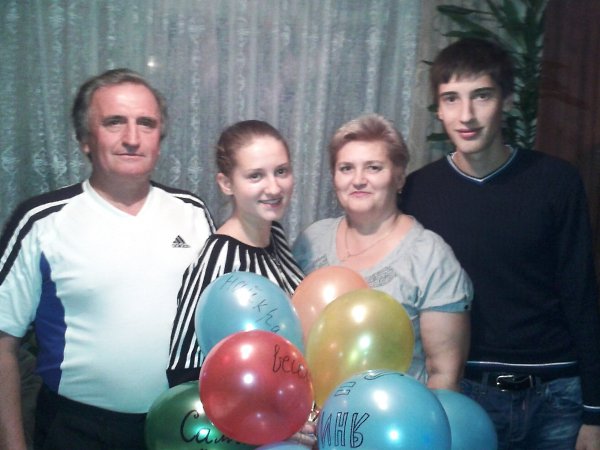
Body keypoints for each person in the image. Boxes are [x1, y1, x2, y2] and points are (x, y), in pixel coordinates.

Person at [0, 68, 215, 450]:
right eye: (114, 122)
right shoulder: (41, 222)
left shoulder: (193, 213)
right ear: (85, 138)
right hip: (77, 431)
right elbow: (3, 345)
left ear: (159, 139)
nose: (132, 138)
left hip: (180, 426)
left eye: (146, 124)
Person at [401, 38, 600, 449]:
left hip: (557, 397)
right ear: (438, 109)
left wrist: (595, 412)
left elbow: (582, 295)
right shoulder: (419, 191)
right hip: (466, 396)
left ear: (507, 100)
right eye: (452, 99)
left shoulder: (557, 182)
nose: (466, 115)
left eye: (482, 96)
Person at [293, 113, 473, 391]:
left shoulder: (430, 256)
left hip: (396, 415)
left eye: (374, 168)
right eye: (346, 168)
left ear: (399, 178)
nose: (358, 180)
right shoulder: (311, 241)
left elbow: (444, 373)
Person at [167, 119, 304, 387]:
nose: (274, 188)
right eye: (255, 176)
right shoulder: (218, 259)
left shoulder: (275, 234)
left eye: (281, 171)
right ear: (227, 183)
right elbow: (183, 370)